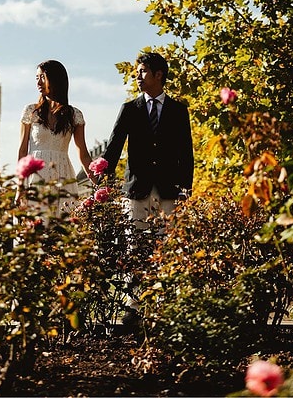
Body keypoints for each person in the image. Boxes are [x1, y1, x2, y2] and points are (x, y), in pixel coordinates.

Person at [100, 51, 194, 325]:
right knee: (135, 246)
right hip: (136, 190)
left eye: (142, 71)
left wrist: (185, 189)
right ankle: (134, 306)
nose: (137, 76)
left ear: (158, 75)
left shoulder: (178, 110)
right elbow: (114, 146)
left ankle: (163, 305)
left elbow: (186, 153)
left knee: (165, 247)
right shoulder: (130, 109)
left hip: (168, 189)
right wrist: (103, 176)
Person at [18, 59, 94, 213]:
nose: (38, 83)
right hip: (35, 177)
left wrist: (99, 182)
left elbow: (84, 154)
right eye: (37, 78)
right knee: (36, 228)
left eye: (42, 77)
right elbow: (22, 152)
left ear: (55, 79)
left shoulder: (74, 115)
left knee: (62, 229)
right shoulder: (30, 111)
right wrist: (20, 187)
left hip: (63, 177)